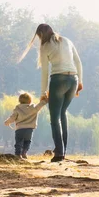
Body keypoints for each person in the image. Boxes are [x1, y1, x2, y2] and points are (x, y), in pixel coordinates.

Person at [19, 24, 83, 162]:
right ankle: (62, 149)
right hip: (73, 79)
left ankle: (59, 153)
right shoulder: (67, 40)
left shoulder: (45, 47)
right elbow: (78, 61)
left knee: (54, 118)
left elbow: (45, 72)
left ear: (40, 35)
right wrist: (80, 82)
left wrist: (43, 92)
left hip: (58, 80)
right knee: (63, 113)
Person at [4, 92, 47, 159]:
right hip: (29, 129)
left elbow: (13, 117)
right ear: (30, 101)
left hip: (20, 129)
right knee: (27, 141)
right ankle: (24, 152)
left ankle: (18, 155)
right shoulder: (33, 108)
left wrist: (7, 122)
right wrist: (44, 100)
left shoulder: (17, 109)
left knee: (18, 142)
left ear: (20, 101)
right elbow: (40, 105)